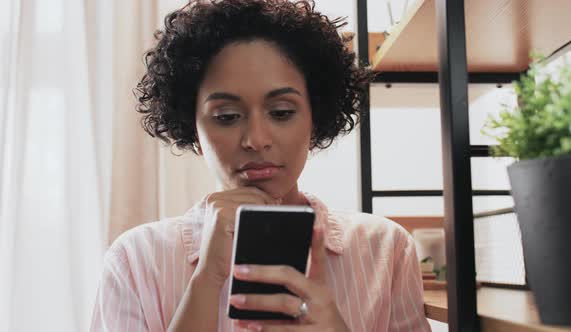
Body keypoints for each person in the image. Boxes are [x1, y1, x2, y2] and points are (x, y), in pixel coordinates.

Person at [91, 0, 431, 331]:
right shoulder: (135, 260)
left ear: (315, 121)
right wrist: (206, 280)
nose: (256, 139)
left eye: (281, 112)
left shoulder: (385, 250)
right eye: (226, 117)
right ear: (193, 130)